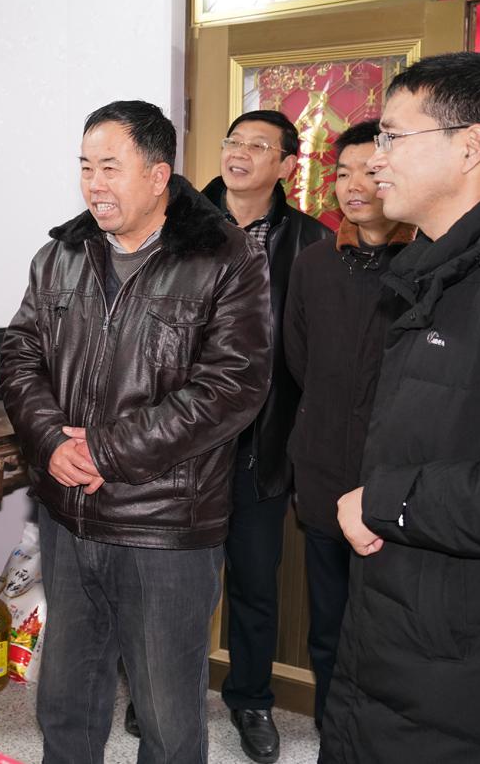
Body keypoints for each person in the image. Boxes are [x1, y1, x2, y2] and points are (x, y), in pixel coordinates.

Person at [0, 100, 272, 764]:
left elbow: (231, 387)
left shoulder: (225, 257)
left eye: (109, 167)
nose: (94, 184)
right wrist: (50, 440)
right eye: (85, 167)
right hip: (69, 513)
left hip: (163, 524)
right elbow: (18, 355)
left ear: (157, 175)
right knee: (65, 701)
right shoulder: (61, 255)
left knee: (165, 715)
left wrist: (105, 450)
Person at [325, 52, 480, 761]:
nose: (374, 158)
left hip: (470, 671)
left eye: (392, 136)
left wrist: (385, 501)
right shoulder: (447, 267)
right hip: (409, 642)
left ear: (470, 145)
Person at [198, 109, 327, 764]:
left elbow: (317, 356)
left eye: (257, 144)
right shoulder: (179, 224)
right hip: (183, 446)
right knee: (175, 584)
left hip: (261, 444)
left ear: (285, 164)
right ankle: (163, 688)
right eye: (232, 141)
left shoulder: (312, 242)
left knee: (254, 584)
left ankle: (250, 699)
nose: (239, 153)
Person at [281, 120, 415, 728]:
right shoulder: (313, 264)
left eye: (370, 170)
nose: (354, 185)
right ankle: (331, 734)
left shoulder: (429, 262)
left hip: (398, 486)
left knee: (394, 633)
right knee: (328, 625)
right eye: (342, 173)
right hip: (324, 473)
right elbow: (300, 361)